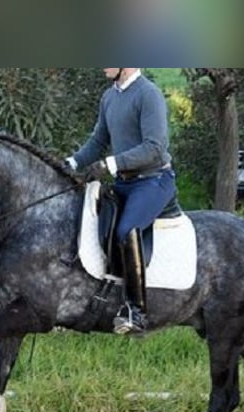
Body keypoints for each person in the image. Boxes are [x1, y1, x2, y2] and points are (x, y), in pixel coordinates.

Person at [66, 68, 177, 335]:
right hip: (124, 183)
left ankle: (136, 312)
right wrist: (70, 163)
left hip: (153, 181)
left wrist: (110, 163)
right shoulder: (109, 97)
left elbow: (154, 147)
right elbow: (98, 140)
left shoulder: (148, 95)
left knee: (126, 230)